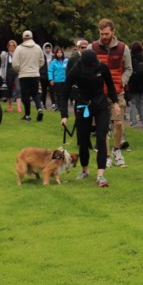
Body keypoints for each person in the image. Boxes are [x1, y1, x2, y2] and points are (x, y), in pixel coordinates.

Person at [60, 49, 120, 188]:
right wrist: (64, 115)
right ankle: (85, 170)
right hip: (82, 104)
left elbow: (110, 86)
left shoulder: (102, 67)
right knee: (83, 139)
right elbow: (65, 92)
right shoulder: (76, 69)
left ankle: (100, 175)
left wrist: (115, 102)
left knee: (101, 137)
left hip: (100, 105)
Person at [90, 19, 132, 166]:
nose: (104, 36)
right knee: (103, 128)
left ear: (113, 32)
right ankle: (106, 155)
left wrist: (122, 81)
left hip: (117, 92)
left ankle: (116, 149)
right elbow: (88, 67)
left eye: (107, 33)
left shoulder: (123, 48)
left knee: (118, 123)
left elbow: (128, 69)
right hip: (100, 93)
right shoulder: (93, 47)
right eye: (101, 34)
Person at [12, 30, 45, 122]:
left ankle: (27, 115)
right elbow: (42, 61)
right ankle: (39, 109)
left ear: (23, 38)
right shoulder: (38, 48)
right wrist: (36, 68)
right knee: (35, 93)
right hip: (35, 74)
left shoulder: (19, 48)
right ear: (32, 38)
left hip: (24, 75)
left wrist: (20, 70)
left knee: (25, 95)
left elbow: (15, 64)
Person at [126, 42, 143, 129]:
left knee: (133, 103)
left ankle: (133, 122)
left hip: (133, 84)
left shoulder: (130, 58)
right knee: (142, 103)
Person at [0, 39, 22, 114]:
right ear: (8, 46)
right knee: (9, 90)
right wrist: (1, 75)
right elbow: (2, 66)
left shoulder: (18, 54)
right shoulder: (5, 55)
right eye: (10, 46)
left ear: (15, 46)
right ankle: (10, 105)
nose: (11, 47)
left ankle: (19, 107)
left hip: (17, 73)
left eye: (13, 46)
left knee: (18, 89)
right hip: (8, 74)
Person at [48, 47, 67, 114]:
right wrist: (51, 79)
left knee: (64, 94)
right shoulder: (53, 62)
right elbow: (50, 71)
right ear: (56, 54)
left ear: (62, 53)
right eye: (58, 52)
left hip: (65, 80)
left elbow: (69, 70)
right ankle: (59, 106)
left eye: (60, 52)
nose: (59, 53)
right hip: (57, 81)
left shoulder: (66, 61)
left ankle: (64, 106)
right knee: (59, 94)